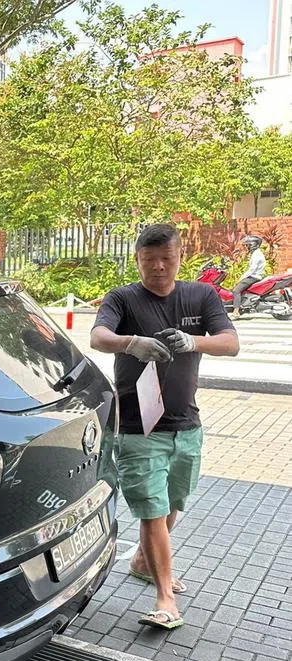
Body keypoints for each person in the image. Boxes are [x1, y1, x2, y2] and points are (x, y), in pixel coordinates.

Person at [90, 223, 239, 631]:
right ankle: (165, 598)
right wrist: (130, 342)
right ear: (137, 260)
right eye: (148, 260)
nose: (158, 267)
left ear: (179, 257)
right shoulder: (123, 298)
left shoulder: (201, 295)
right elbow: (98, 336)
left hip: (186, 425)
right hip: (139, 428)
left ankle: (142, 561)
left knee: (173, 502)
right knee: (152, 512)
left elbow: (230, 341)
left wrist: (194, 342)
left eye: (166, 259)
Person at [230, 235, 267, 317]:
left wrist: (242, 278)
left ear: (253, 245)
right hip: (255, 276)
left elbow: (252, 270)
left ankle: (236, 311)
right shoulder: (256, 253)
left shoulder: (257, 255)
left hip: (254, 277)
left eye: (248, 245)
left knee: (236, 291)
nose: (247, 247)